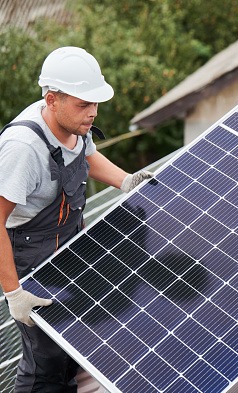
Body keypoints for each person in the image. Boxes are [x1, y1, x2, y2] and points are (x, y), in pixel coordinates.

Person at [0, 46, 152, 392]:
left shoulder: (74, 123)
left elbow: (87, 157)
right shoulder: (24, 149)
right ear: (52, 100)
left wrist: (126, 180)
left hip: (69, 247)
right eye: (84, 104)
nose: (93, 113)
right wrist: (14, 293)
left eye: (95, 103)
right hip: (30, 260)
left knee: (73, 349)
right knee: (46, 363)